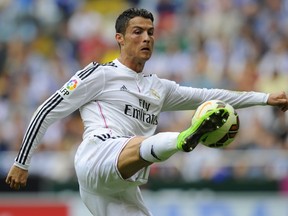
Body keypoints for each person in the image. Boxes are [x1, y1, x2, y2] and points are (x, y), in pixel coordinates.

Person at [5, 8, 288, 216]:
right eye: (137, 32)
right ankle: (183, 139)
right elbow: (47, 109)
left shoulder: (159, 87)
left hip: (124, 183)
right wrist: (22, 161)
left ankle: (181, 139)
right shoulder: (100, 74)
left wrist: (264, 98)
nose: (147, 38)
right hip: (96, 156)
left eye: (151, 32)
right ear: (120, 38)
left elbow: (210, 95)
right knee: (147, 142)